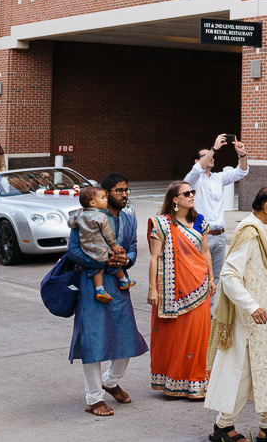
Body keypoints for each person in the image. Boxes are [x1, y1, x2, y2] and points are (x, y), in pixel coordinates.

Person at [204, 186, 267, 442]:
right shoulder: (250, 232)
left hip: (266, 318)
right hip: (251, 319)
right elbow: (229, 275)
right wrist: (251, 306)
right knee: (244, 373)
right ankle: (222, 427)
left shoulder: (263, 230)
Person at [68, 173, 148, 415]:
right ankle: (93, 399)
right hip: (93, 283)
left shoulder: (130, 220)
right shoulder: (86, 217)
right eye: (118, 191)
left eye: (126, 190)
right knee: (93, 340)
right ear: (104, 194)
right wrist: (101, 262)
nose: (124, 194)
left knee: (127, 336)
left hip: (119, 283)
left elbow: (132, 248)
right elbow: (72, 251)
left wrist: (126, 259)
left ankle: (110, 382)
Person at [146, 179, 213, 399]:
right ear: (175, 200)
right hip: (174, 290)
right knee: (177, 334)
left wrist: (212, 278)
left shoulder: (200, 222)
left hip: (200, 286)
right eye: (186, 193)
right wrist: (152, 289)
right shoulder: (162, 224)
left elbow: (205, 252)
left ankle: (196, 383)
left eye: (192, 192)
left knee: (198, 335)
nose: (192, 196)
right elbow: (155, 258)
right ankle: (175, 381)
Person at [186, 136, 247, 288]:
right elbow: (196, 171)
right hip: (202, 235)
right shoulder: (193, 180)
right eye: (206, 155)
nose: (212, 157)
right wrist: (214, 148)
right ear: (197, 161)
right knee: (199, 275)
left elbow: (241, 172)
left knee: (215, 278)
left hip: (220, 235)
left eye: (212, 155)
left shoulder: (218, 178)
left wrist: (242, 154)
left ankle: (210, 311)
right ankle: (200, 310)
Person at [69, 185, 131, 303]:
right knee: (112, 260)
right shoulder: (101, 217)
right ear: (92, 202)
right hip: (101, 248)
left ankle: (99, 289)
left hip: (87, 249)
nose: (106, 200)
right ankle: (123, 280)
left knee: (99, 270)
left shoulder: (79, 214)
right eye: (103, 198)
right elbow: (108, 233)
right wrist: (113, 245)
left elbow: (71, 223)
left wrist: (77, 217)